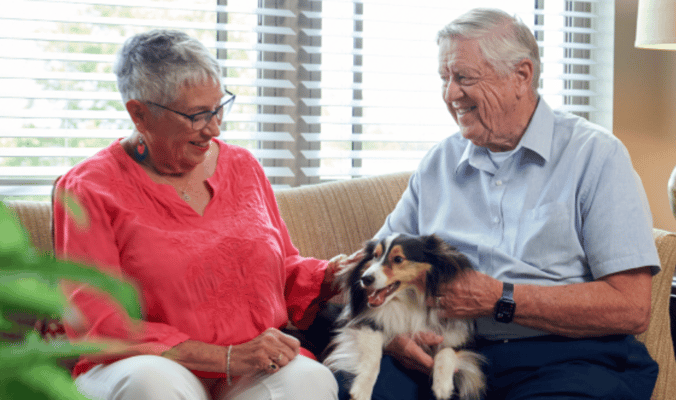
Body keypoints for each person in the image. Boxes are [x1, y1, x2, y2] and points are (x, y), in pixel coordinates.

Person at [336, 8, 660, 400]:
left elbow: (631, 307)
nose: (451, 94)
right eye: (445, 79)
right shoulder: (438, 164)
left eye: (463, 78)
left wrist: (500, 298)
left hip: (567, 358)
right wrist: (392, 339)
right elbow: (370, 271)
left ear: (521, 76)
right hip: (447, 355)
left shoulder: (597, 156)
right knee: (339, 386)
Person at [53, 29, 344, 400]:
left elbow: (280, 271)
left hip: (250, 361)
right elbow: (99, 322)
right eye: (197, 115)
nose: (215, 127)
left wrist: (334, 274)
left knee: (310, 380)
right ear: (139, 114)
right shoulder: (88, 187)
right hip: (148, 362)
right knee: (152, 383)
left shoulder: (243, 167)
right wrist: (221, 357)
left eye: (219, 107)